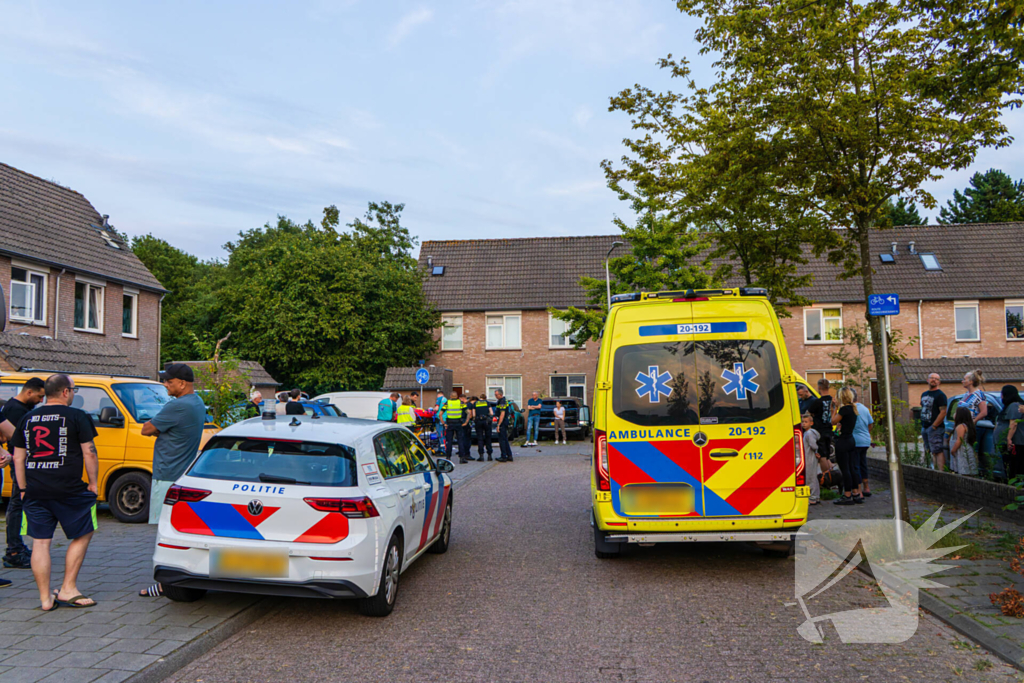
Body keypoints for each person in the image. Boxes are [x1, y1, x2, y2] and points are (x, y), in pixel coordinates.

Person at [11, 374, 99, 610]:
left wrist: (22, 488)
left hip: (35, 490)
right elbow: (89, 452)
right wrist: (93, 483)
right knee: (84, 532)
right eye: (73, 390)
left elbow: (18, 458)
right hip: (70, 489)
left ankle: (45, 599)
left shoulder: (27, 418)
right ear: (65, 392)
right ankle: (68, 588)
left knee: (40, 543)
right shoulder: (78, 416)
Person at [138, 364, 207, 597]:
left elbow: (146, 429)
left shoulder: (177, 405)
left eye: (168, 381)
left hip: (167, 475)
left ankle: (164, 584)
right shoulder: (197, 403)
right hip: (181, 474)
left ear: (182, 383)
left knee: (163, 533)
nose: (165, 384)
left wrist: (158, 429)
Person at [0, 376, 45, 569]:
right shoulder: (15, 410)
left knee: (20, 503)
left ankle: (17, 546)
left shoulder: (21, 408)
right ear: (29, 392)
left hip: (20, 461)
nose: (40, 401)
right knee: (17, 504)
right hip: (18, 462)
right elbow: (15, 438)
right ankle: (14, 551)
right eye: (39, 396)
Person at [831, 386, 862, 505]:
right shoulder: (853, 408)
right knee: (852, 468)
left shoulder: (844, 410)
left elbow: (833, 421)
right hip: (851, 440)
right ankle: (856, 493)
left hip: (843, 441)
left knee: (845, 469)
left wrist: (835, 408)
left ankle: (847, 495)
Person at [919, 373, 948, 472]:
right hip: (925, 426)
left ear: (939, 382)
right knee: (928, 449)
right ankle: (931, 470)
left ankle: (940, 472)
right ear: (927, 380)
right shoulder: (924, 394)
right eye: (932, 378)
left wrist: (934, 426)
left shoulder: (940, 395)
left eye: (936, 379)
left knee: (937, 450)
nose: (934, 380)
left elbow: (943, 412)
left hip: (935, 428)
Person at [851, 390, 874, 497]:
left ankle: (859, 490)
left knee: (855, 465)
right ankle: (867, 487)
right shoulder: (865, 409)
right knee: (863, 463)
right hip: (865, 440)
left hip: (855, 440)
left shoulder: (850, 409)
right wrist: (866, 433)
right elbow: (870, 424)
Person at [998, 385, 1024, 479]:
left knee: (1013, 467)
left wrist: (1008, 438)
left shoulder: (1014, 406)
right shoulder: (1009, 406)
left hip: (1015, 443)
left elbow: (1013, 423)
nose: (1001, 396)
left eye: (1002, 394)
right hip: (1013, 442)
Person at [808, 380, 835, 463]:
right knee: (827, 456)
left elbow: (809, 413)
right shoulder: (833, 401)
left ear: (819, 387)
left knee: (822, 456)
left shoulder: (817, 402)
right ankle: (829, 470)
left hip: (819, 431)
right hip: (829, 429)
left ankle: (825, 471)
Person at [950, 406, 979, 476]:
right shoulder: (967, 425)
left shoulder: (961, 426)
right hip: (965, 450)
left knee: (964, 469)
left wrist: (953, 450)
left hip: (962, 451)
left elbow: (959, 440)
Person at [444, 391, 470, 463]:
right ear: (457, 396)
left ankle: (448, 457)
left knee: (449, 441)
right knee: (460, 441)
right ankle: (462, 458)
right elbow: (468, 412)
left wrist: (443, 423)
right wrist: (466, 422)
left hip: (450, 423)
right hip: (458, 423)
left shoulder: (447, 402)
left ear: (450, 396)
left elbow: (440, 413)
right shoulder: (460, 403)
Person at [801, 412, 820, 505]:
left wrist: (816, 450)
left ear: (811, 423)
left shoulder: (809, 433)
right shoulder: (807, 433)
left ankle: (812, 497)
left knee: (810, 477)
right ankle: (816, 496)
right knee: (813, 477)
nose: (804, 424)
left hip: (809, 457)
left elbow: (813, 445)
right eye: (803, 422)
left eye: (806, 422)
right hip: (809, 456)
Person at [494, 389, 514, 462]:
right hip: (504, 421)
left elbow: (502, 414)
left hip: (502, 422)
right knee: (505, 439)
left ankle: (504, 456)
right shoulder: (502, 401)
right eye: (495, 395)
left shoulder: (502, 401)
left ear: (501, 394)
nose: (495, 396)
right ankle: (509, 455)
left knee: (502, 440)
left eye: (496, 395)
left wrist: (498, 425)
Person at [472, 394, 493, 462]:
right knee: (488, 438)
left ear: (480, 398)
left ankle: (481, 455)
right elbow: (491, 413)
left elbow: (473, 414)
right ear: (485, 398)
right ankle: (489, 455)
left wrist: (475, 418)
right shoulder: (487, 403)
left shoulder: (475, 403)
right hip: (486, 422)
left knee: (480, 439)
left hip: (478, 422)